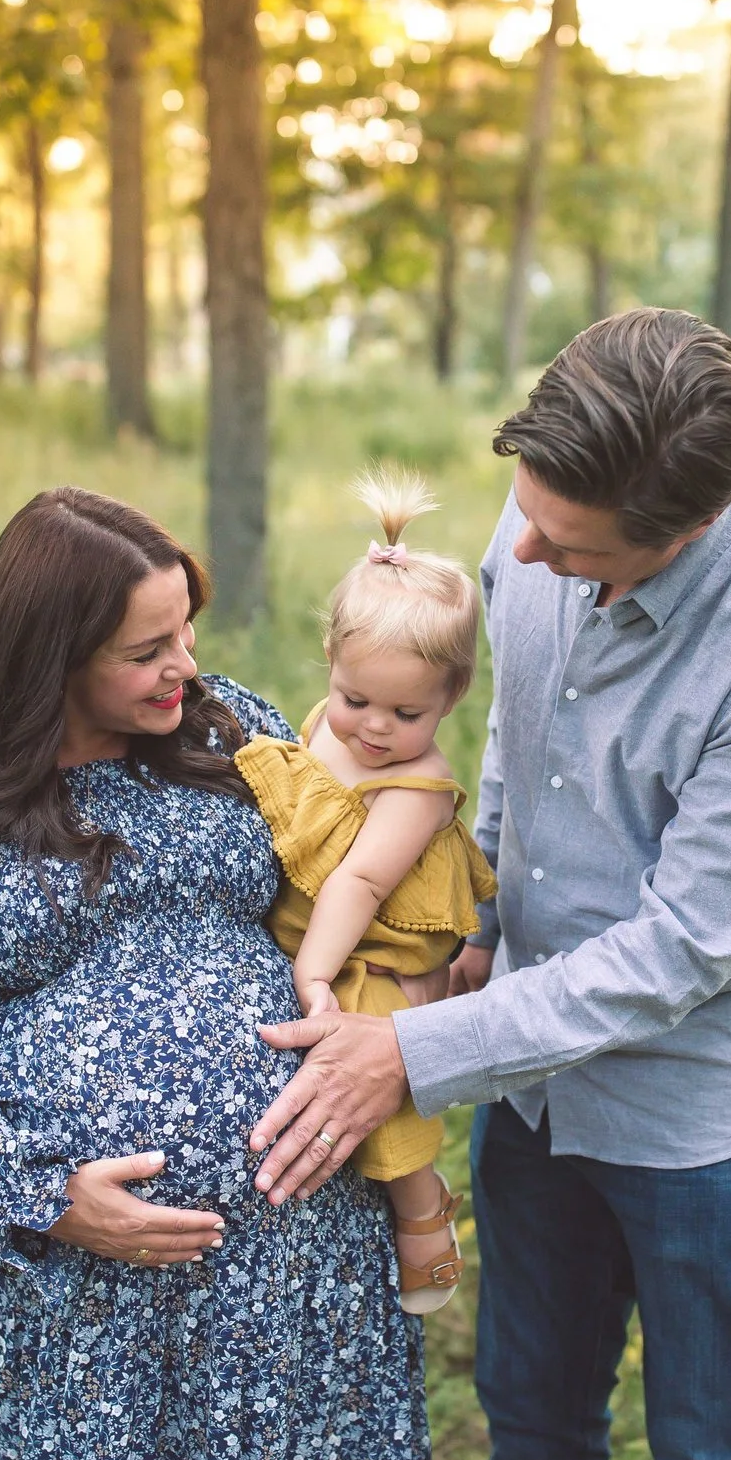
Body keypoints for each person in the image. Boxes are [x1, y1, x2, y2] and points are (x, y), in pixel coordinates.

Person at [247, 308, 731, 1460]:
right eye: (523, 510)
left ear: (685, 526)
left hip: (708, 1110)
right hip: (530, 1070)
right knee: (533, 1416)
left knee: (719, 1459)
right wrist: (472, 915)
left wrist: (414, 1050)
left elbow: (676, 954)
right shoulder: (551, 505)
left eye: (569, 544)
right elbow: (517, 747)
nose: (522, 552)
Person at [0, 487, 448, 1460]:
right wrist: (41, 1198)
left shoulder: (228, 729)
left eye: (187, 631)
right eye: (146, 650)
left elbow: (377, 867)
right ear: (51, 655)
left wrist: (404, 1011)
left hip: (301, 1267)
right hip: (94, 1293)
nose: (184, 666)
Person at [234, 473, 496, 1313]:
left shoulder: (418, 785)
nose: (374, 727)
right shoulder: (323, 722)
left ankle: (422, 1205)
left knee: (373, 1063)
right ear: (331, 664)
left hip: (373, 947)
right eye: (356, 699)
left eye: (405, 712)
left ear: (452, 696)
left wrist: (313, 975)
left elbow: (361, 878)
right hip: (315, 926)